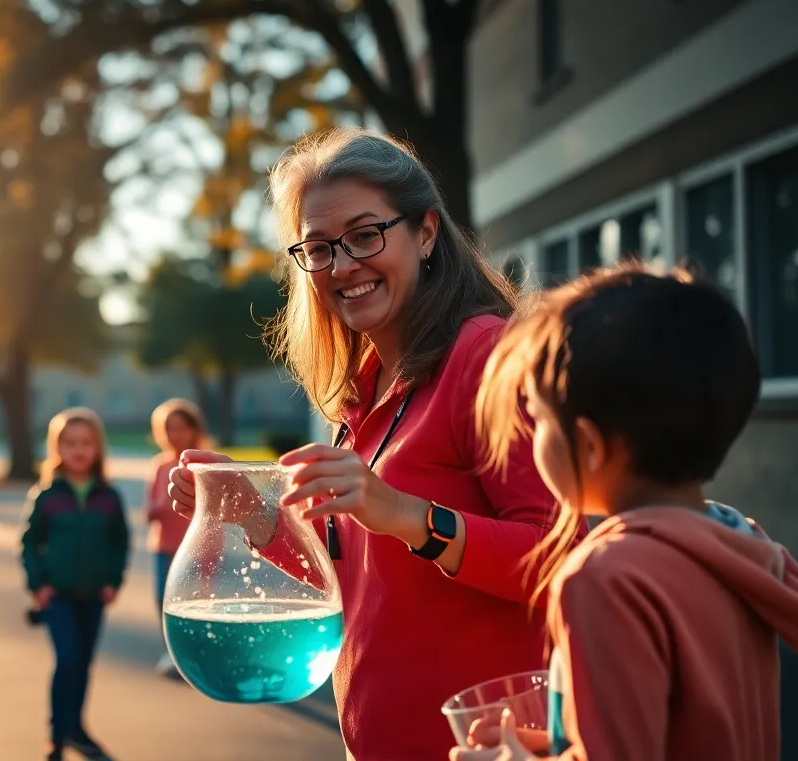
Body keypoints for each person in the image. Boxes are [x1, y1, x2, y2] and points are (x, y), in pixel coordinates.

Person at [168, 127, 568, 760]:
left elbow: (561, 559)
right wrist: (254, 515)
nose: (343, 266)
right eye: (320, 247)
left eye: (364, 235)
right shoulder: (366, 387)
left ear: (426, 233)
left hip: (488, 748)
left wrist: (408, 515)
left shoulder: (487, 355)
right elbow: (355, 583)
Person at [452, 266, 798, 761]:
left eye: (537, 418)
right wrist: (551, 749)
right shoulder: (738, 540)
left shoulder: (604, 580)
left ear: (591, 446)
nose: (530, 438)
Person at [21, 408, 129, 761]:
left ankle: (76, 728)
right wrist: (38, 584)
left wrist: (113, 580)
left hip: (94, 595)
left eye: (86, 443)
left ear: (97, 448)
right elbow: (29, 542)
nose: (78, 450)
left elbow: (120, 543)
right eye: (70, 443)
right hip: (58, 594)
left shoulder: (108, 496)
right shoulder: (47, 496)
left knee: (83, 662)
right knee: (67, 659)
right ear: (57, 448)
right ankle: (56, 734)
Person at [145, 398, 209, 678]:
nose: (176, 435)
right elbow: (151, 505)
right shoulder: (160, 465)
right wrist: (154, 511)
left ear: (194, 430)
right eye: (169, 429)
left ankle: (193, 655)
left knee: (195, 602)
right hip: (163, 546)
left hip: (196, 549)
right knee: (163, 601)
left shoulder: (203, 465)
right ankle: (172, 653)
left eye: (181, 428)